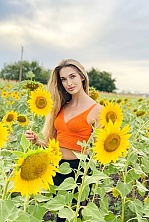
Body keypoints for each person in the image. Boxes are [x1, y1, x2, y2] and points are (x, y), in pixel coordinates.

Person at [25, 59, 102, 221]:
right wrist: (38, 141)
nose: (69, 83)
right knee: (56, 213)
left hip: (77, 172)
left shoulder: (97, 110)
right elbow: (58, 143)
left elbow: (97, 152)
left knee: (69, 217)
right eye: (63, 79)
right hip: (57, 167)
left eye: (72, 76)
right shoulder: (62, 105)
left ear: (82, 76)